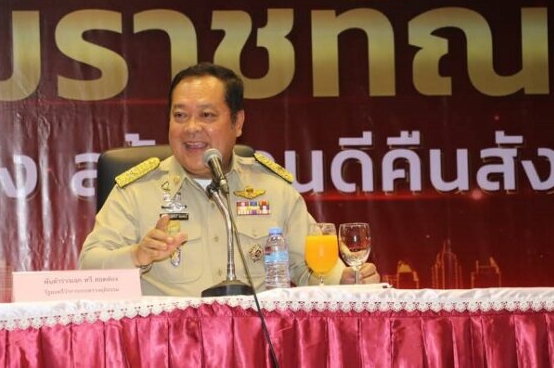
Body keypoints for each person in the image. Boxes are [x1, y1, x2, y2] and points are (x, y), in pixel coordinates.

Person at [79, 62, 379, 296]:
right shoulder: (136, 192)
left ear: (238, 122)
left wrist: (346, 278)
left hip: (254, 344)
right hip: (169, 346)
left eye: (207, 115)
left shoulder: (272, 190)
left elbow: (311, 268)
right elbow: (88, 269)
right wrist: (137, 255)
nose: (191, 128)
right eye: (180, 116)